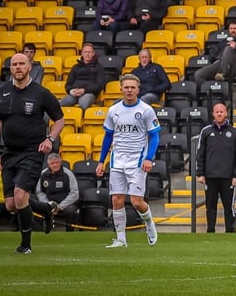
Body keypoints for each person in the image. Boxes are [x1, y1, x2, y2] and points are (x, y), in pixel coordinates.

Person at [0, 52, 65, 253]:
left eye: (22, 64)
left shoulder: (41, 93)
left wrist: (50, 139)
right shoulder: (3, 92)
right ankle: (47, 209)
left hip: (32, 152)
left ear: (29, 67)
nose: (18, 67)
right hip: (9, 152)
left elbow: (59, 119)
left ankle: (25, 245)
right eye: (14, 64)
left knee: (20, 194)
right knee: (11, 204)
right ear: (10, 68)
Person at [96, 73, 161, 248]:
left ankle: (149, 224)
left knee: (136, 201)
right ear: (121, 89)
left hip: (137, 161)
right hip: (117, 160)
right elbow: (108, 136)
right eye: (126, 87)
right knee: (116, 199)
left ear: (138, 89)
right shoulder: (114, 110)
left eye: (133, 87)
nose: (129, 90)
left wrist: (149, 158)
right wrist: (102, 161)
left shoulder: (146, 110)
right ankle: (121, 239)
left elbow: (154, 136)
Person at [195, 102, 236, 233]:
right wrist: (200, 173)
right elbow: (200, 154)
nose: (219, 114)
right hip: (210, 176)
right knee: (210, 207)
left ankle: (230, 231)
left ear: (226, 113)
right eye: (216, 111)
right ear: (213, 114)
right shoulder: (205, 132)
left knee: (229, 207)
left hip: (228, 177)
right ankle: (210, 231)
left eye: (221, 111)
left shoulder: (235, 132)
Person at [192, 20, 236, 91]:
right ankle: (210, 93)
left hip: (235, 68)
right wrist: (219, 57)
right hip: (219, 64)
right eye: (231, 29)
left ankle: (222, 73)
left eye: (235, 28)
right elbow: (211, 55)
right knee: (198, 74)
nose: (233, 30)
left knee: (229, 49)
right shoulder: (223, 42)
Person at [33, 153, 79, 232]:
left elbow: (74, 193)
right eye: (52, 163)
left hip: (64, 204)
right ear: (48, 164)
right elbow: (39, 192)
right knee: (35, 206)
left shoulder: (68, 174)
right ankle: (41, 230)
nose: (55, 165)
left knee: (71, 210)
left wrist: (60, 206)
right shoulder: (43, 174)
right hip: (48, 203)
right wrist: (49, 205)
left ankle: (69, 232)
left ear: (60, 162)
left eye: (57, 163)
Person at [59, 43, 106, 111]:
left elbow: (99, 85)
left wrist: (84, 90)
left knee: (83, 103)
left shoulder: (99, 67)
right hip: (75, 93)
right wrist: (71, 91)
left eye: (89, 52)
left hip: (89, 93)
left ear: (93, 54)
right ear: (82, 54)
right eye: (85, 52)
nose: (87, 54)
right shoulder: (75, 67)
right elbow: (68, 84)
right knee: (61, 103)